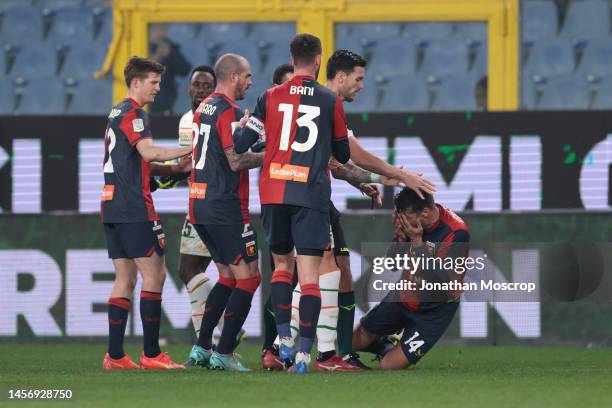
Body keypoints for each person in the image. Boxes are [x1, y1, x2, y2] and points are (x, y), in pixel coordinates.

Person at [234, 33, 351, 374]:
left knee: (282, 266)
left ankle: (282, 338)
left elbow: (242, 142)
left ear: (291, 56)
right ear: (318, 60)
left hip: (273, 191)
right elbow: (342, 153)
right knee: (310, 275)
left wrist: (247, 127)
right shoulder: (330, 99)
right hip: (309, 194)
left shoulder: (269, 96)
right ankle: (303, 353)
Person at [101, 56, 192, 370]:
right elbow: (149, 152)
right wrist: (191, 148)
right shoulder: (135, 114)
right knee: (155, 275)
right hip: (135, 207)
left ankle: (114, 356)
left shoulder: (116, 112)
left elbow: (136, 160)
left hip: (112, 205)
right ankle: (152, 354)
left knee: (124, 278)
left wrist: (173, 168)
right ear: (136, 82)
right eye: (153, 83)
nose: (157, 88)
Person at [186, 53, 264, 372]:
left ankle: (202, 348)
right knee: (250, 277)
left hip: (199, 203)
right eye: (246, 76)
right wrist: (271, 154)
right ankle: (225, 352)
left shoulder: (202, 109)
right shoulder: (229, 110)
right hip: (225, 206)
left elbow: (220, 153)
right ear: (233, 77)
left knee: (228, 276)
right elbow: (234, 161)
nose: (249, 82)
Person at [352, 187, 470, 370]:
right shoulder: (412, 220)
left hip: (434, 310)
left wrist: (416, 241)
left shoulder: (456, 232)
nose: (404, 222)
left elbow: (441, 281)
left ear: (425, 211)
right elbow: (393, 264)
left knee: (388, 366)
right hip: (404, 296)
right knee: (352, 342)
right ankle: (384, 343)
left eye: (407, 218)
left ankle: (392, 349)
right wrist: (400, 239)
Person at [148, 24, 192, 114]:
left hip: (166, 104)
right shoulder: (139, 44)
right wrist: (159, 56)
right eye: (158, 30)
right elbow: (138, 71)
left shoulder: (168, 46)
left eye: (164, 30)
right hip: (144, 105)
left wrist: (171, 54)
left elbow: (184, 69)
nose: (162, 34)